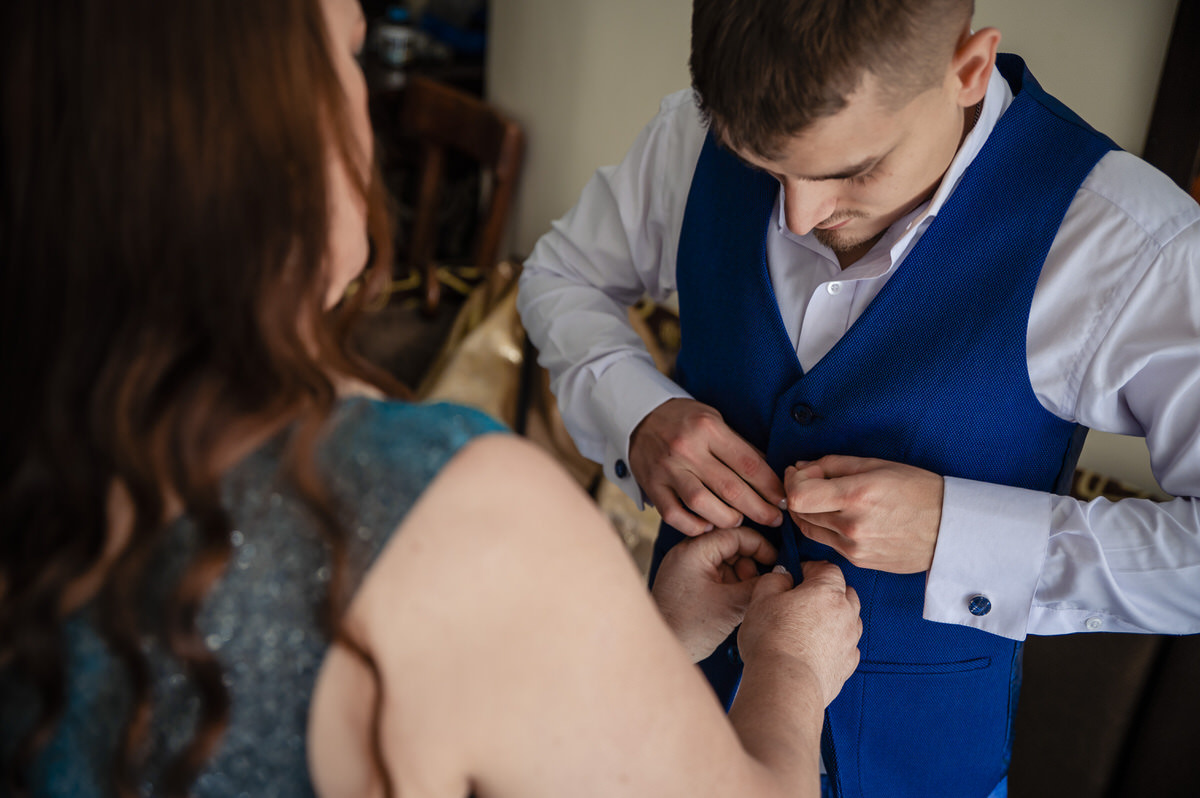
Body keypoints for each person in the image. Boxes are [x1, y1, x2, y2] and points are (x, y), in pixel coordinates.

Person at [0, 1, 866, 797]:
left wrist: (642, 643)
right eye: (349, 54)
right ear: (259, 125)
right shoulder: (445, 508)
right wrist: (790, 672)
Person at [517, 0, 1200, 795]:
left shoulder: (1134, 245)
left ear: (968, 69)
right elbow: (560, 276)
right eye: (763, 166)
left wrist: (957, 535)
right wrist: (635, 413)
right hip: (659, 738)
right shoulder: (691, 139)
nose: (799, 215)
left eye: (852, 170)